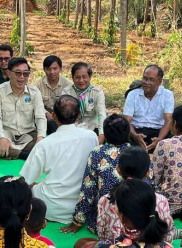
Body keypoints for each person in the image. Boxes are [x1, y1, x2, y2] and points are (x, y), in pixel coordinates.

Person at [74, 146, 176, 248]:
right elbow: (167, 235)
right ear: (148, 173)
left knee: (81, 244)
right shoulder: (161, 200)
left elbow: (103, 237)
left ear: (118, 169)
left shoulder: (106, 200)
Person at [20, 95, 98, 223]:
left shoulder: (44, 145)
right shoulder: (92, 137)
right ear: (79, 114)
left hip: (50, 208)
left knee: (27, 186)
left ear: (53, 115)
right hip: (84, 207)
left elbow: (27, 179)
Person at [62, 114, 132, 234]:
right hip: (135, 222)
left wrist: (77, 221)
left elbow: (88, 189)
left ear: (106, 135)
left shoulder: (97, 153)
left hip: (104, 222)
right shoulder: (138, 153)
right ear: (128, 132)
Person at [0, 57, 47, 160]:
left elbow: (40, 117)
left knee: (45, 142)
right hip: (6, 134)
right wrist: (1, 138)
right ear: (9, 73)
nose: (22, 77)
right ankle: (23, 155)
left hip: (28, 135)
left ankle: (5, 152)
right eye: (18, 73)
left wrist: (40, 138)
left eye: (25, 74)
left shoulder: (34, 92)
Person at [123, 65, 174, 151]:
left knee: (173, 137)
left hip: (159, 132)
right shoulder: (133, 94)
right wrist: (135, 136)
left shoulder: (167, 95)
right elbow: (127, 120)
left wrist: (159, 139)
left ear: (159, 82)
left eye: (151, 80)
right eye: (145, 78)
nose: (146, 82)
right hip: (135, 132)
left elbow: (168, 120)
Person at [61, 62, 107, 141]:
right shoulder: (66, 92)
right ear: (72, 77)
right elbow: (64, 116)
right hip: (73, 128)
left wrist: (101, 134)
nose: (81, 80)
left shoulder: (97, 92)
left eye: (84, 77)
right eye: (77, 77)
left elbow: (102, 114)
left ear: (90, 76)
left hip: (92, 127)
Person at [34, 55, 71, 135]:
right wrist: (47, 114)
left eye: (55, 68)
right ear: (44, 69)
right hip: (44, 115)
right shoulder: (38, 84)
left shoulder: (68, 84)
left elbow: (70, 105)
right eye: (48, 69)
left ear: (60, 69)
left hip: (62, 116)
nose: (52, 72)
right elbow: (35, 104)